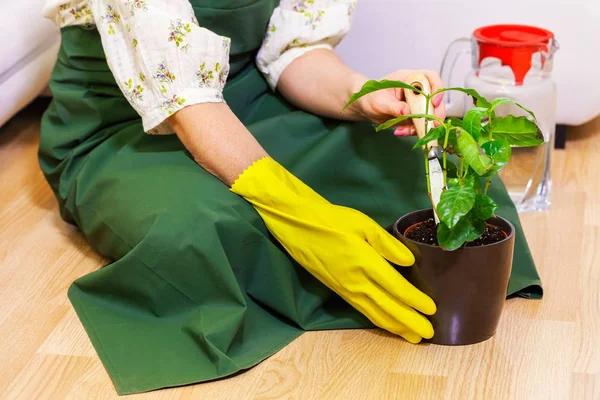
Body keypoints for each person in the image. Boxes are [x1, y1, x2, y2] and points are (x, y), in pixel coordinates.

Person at [40, 0, 542, 395]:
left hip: (248, 106)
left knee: (444, 177)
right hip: (122, 124)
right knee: (199, 234)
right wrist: (304, 216)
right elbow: (185, 102)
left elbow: (290, 51)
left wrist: (362, 91)